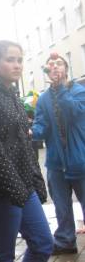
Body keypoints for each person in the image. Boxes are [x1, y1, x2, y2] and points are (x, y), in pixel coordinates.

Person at [0, 41, 53, 262]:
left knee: (43, 244)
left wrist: (36, 180)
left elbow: (25, 143)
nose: (17, 65)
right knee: (2, 254)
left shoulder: (11, 93)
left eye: (19, 60)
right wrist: (14, 187)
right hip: (2, 189)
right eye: (10, 60)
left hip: (24, 186)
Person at [32, 53, 85, 255]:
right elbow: (41, 126)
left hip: (81, 159)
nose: (54, 66)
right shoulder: (44, 98)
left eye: (59, 63)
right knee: (61, 207)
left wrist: (60, 87)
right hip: (55, 163)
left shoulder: (80, 91)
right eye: (50, 64)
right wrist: (30, 131)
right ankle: (66, 241)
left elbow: (73, 111)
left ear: (66, 68)